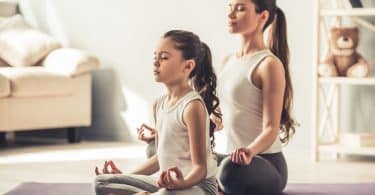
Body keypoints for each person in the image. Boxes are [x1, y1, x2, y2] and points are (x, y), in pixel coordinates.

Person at [94, 30, 222, 195]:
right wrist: (125, 176)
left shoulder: (192, 106)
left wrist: (180, 183)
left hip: (198, 187)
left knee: (164, 194)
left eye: (164, 57)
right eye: (155, 57)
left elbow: (200, 169)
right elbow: (158, 158)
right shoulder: (158, 104)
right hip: (169, 186)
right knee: (102, 181)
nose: (156, 63)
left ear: (188, 66)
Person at [215, 0, 297, 194]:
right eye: (230, 7)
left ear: (263, 17)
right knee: (169, 152)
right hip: (227, 156)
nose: (230, 14)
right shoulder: (227, 60)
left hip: (262, 162)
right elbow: (220, 117)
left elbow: (271, 128)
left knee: (228, 171)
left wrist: (249, 151)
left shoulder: (268, 65)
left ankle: (218, 184)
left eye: (240, 9)